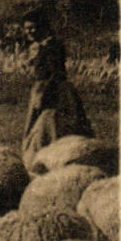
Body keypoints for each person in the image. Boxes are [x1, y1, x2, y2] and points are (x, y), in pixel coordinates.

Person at [21, 37, 93, 166]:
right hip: (55, 103)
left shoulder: (46, 85)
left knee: (48, 133)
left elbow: (35, 112)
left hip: (51, 110)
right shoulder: (63, 86)